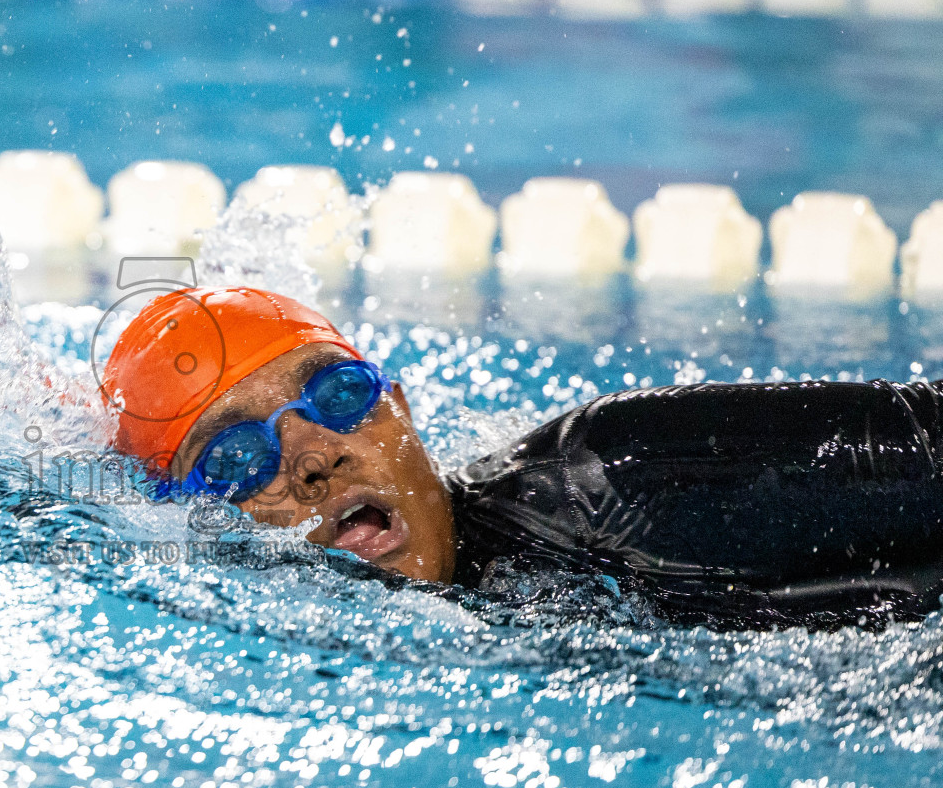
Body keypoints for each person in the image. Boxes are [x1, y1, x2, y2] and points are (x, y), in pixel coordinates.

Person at [99, 285, 943, 627]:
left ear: (402, 408)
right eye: (239, 457)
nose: (313, 455)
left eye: (340, 396)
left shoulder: (611, 476)